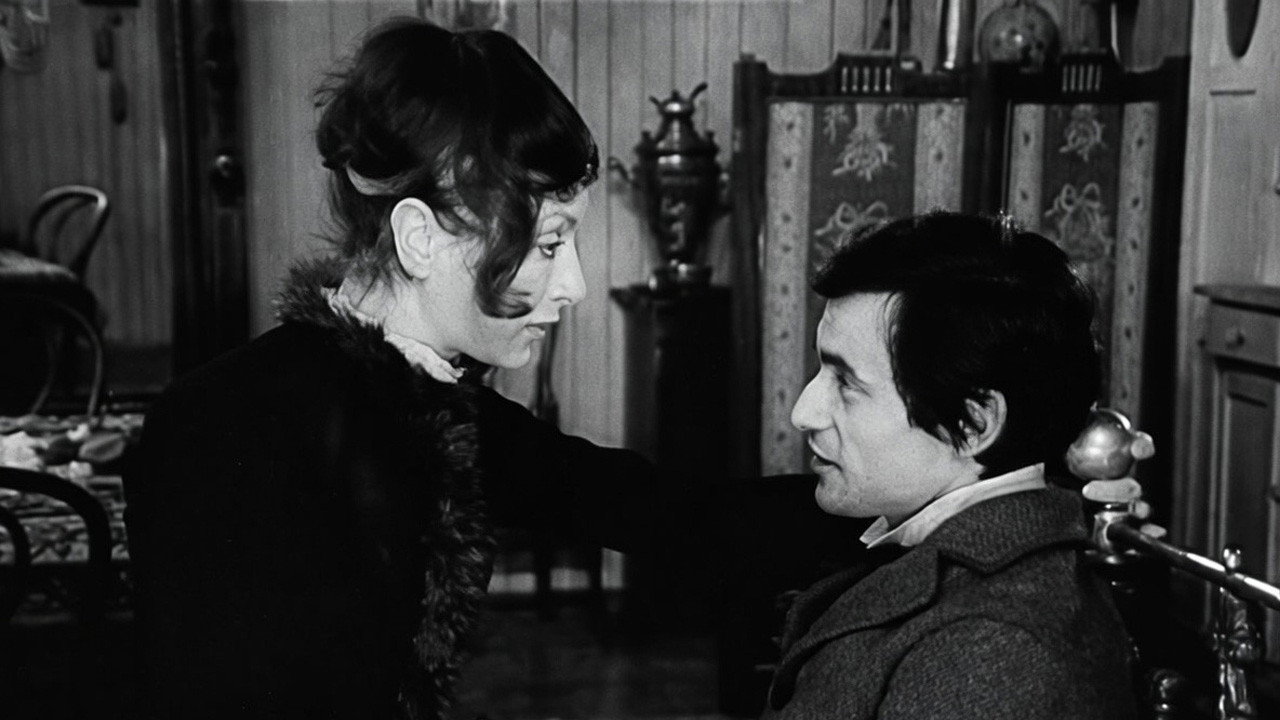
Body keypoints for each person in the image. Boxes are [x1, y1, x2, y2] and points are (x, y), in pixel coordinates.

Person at [123, 18, 848, 720]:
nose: (574, 285)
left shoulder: (429, 403)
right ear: (420, 238)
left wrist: (881, 504)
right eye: (549, 244)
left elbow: (661, 510)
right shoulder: (224, 429)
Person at [763, 212, 1138, 720]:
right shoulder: (956, 549)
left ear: (972, 423)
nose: (803, 413)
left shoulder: (993, 651)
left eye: (846, 382)